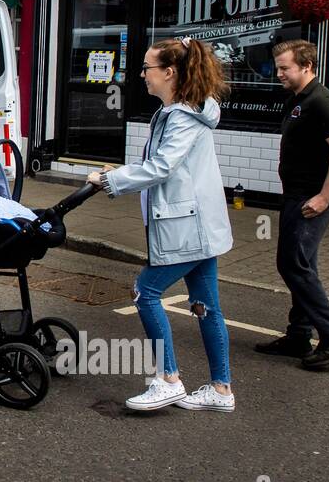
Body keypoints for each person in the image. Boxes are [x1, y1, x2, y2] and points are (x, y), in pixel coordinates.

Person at [87, 36, 236, 414]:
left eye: (147, 68)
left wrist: (109, 181)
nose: (141, 75)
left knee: (146, 291)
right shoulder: (188, 111)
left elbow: (161, 168)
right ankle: (221, 389)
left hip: (187, 227)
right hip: (200, 224)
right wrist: (120, 171)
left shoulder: (182, 116)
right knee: (205, 306)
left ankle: (168, 379)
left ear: (169, 72)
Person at [255, 39, 329, 369]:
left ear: (307, 67)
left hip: (311, 201)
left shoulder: (322, 102)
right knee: (303, 266)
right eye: (278, 68)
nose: (279, 74)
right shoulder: (298, 100)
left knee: (292, 265)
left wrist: (324, 197)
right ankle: (299, 335)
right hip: (296, 197)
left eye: (285, 68)